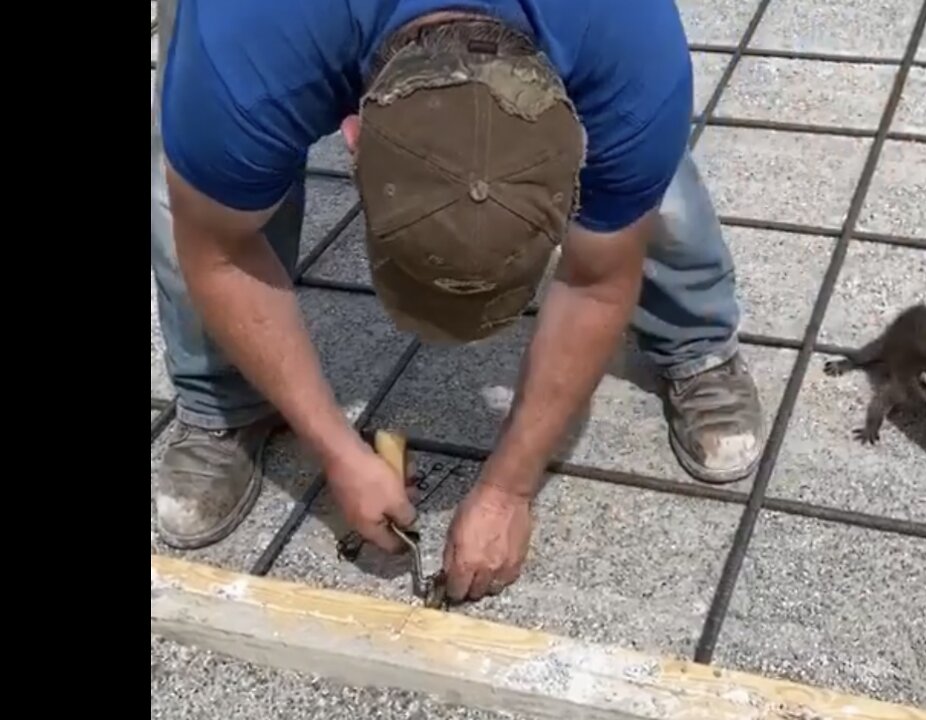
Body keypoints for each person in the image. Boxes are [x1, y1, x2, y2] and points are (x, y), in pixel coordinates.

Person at [150, 0, 764, 602]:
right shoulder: (243, 49)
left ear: (572, 140)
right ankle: (221, 400)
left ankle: (696, 340)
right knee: (200, 186)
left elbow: (596, 279)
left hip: (599, 43)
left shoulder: (628, 47)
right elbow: (218, 252)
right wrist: (335, 450)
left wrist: (510, 489)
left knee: (641, 170)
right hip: (278, 30)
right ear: (352, 135)